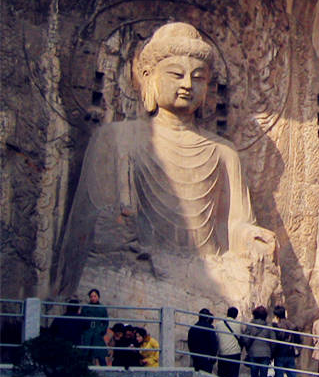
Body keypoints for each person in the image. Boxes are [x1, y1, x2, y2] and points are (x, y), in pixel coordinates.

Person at [54, 22, 276, 298]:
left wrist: (250, 237)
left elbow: (234, 224)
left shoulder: (223, 151)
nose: (187, 84)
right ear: (148, 76)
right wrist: (117, 224)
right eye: (176, 74)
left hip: (210, 271)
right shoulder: (117, 138)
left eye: (198, 77)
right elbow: (92, 225)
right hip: (140, 270)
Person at [241, 305, 273, 377]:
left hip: (253, 352)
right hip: (265, 353)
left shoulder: (250, 326)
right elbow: (273, 341)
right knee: (263, 374)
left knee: (254, 374)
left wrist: (247, 348)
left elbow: (245, 338)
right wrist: (271, 353)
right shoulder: (268, 326)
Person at [271, 305, 299, 377]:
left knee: (279, 376)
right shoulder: (292, 325)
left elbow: (274, 341)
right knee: (292, 376)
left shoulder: (276, 326)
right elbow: (298, 340)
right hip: (290, 353)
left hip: (279, 354)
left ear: (276, 316)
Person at [80, 288, 108, 366]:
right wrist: (84, 330)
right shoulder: (86, 308)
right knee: (87, 352)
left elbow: (105, 322)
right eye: (91, 296)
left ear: (98, 297)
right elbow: (82, 320)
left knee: (100, 353)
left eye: (95, 296)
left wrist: (102, 331)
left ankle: (104, 370)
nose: (93, 298)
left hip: (97, 332)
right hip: (88, 332)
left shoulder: (102, 308)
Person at [215, 306, 242, 377]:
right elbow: (241, 337)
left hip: (222, 353)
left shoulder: (218, 324)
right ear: (236, 315)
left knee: (222, 376)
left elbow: (216, 337)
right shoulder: (238, 325)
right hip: (234, 353)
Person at [188, 309, 218, 373]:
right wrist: (213, 356)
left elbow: (190, 343)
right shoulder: (209, 328)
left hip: (196, 358)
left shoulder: (192, 328)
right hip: (207, 358)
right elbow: (214, 343)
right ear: (207, 317)